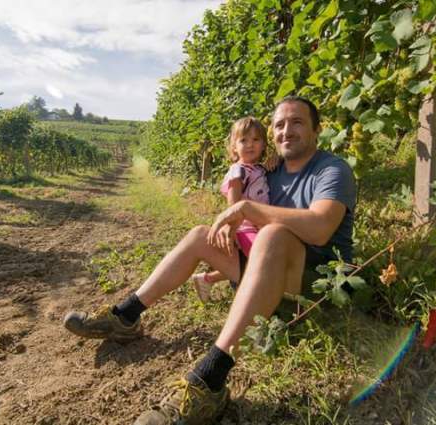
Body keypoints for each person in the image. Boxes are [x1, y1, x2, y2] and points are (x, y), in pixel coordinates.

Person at [63, 96, 357, 425]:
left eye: (298, 122)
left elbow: (319, 229)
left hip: (317, 289)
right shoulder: (268, 172)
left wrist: (248, 209)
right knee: (200, 234)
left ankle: (209, 381)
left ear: (317, 129)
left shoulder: (333, 169)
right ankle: (126, 316)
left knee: (273, 234)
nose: (287, 130)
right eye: (279, 124)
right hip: (270, 278)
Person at [191, 116, 270, 302]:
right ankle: (255, 299)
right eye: (244, 140)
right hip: (244, 225)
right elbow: (234, 204)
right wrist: (233, 228)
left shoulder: (258, 168)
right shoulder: (238, 170)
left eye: (256, 139)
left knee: (246, 262)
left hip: (258, 225)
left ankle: (207, 279)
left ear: (264, 145)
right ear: (234, 146)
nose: (250, 144)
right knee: (260, 258)